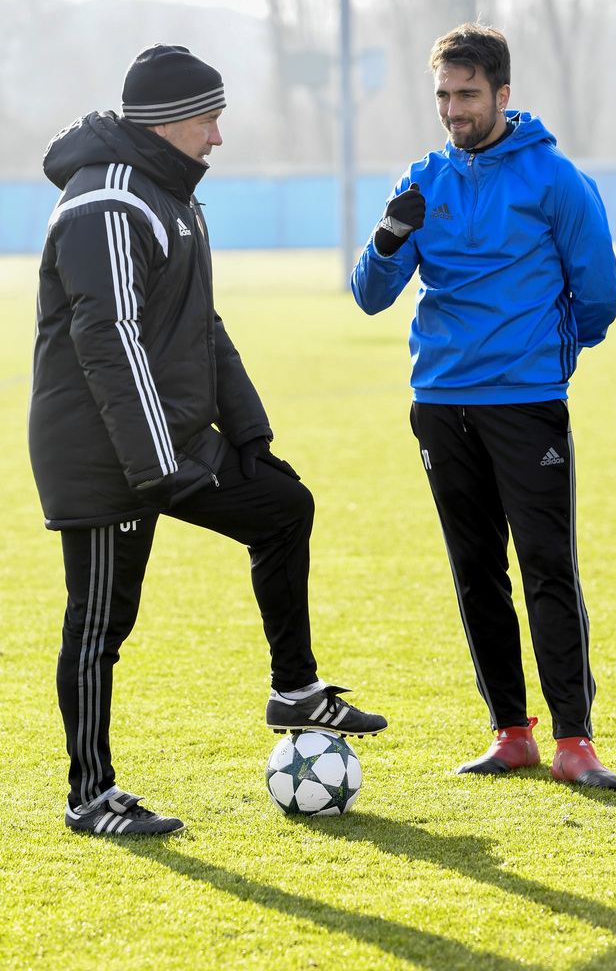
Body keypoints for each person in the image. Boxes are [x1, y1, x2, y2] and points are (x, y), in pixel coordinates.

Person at [29, 43, 387, 836]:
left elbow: (200, 327)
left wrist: (249, 434)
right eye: (208, 119)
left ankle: (294, 689)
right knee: (99, 625)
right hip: (101, 452)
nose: (218, 137)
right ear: (165, 123)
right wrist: (158, 466)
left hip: (168, 437)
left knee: (282, 505)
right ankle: (90, 796)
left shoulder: (174, 198)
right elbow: (110, 340)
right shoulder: (107, 203)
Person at [351, 23, 616, 789]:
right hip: (438, 402)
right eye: (442, 94)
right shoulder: (422, 180)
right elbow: (370, 297)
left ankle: (575, 741)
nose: (452, 109)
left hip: (525, 402)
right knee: (475, 571)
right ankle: (511, 733)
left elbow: (598, 292)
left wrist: (552, 355)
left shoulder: (553, 179)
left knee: (545, 568)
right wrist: (385, 238)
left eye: (467, 94)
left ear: (502, 94)